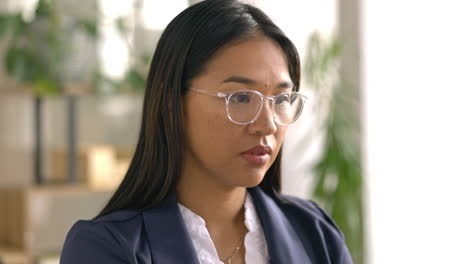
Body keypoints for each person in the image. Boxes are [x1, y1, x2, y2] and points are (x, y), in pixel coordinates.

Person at [60, 0, 353, 263]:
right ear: (173, 105)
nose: (267, 124)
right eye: (240, 98)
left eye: (280, 100)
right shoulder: (105, 249)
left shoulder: (316, 233)